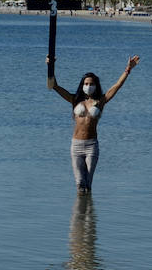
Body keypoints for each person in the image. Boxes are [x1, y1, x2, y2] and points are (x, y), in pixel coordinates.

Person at [47, 54, 138, 193]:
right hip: (76, 145)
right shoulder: (74, 100)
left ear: (96, 86)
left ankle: (88, 213)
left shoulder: (100, 101)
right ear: (82, 85)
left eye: (91, 84)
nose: (88, 86)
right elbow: (55, 86)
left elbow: (117, 86)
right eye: (86, 84)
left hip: (91, 146)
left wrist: (128, 69)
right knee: (79, 183)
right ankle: (79, 213)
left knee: (88, 184)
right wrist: (50, 65)